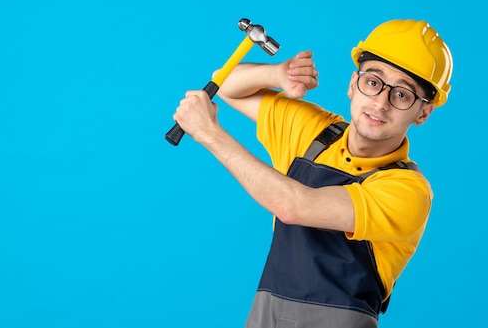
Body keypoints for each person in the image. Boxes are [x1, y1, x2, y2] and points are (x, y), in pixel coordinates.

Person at [172, 19, 453, 327]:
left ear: (423, 112)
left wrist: (210, 133)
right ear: (352, 84)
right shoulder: (315, 132)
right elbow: (224, 84)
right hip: (266, 316)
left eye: (402, 95)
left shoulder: (407, 190)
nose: (380, 103)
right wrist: (277, 73)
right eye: (373, 82)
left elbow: (292, 206)